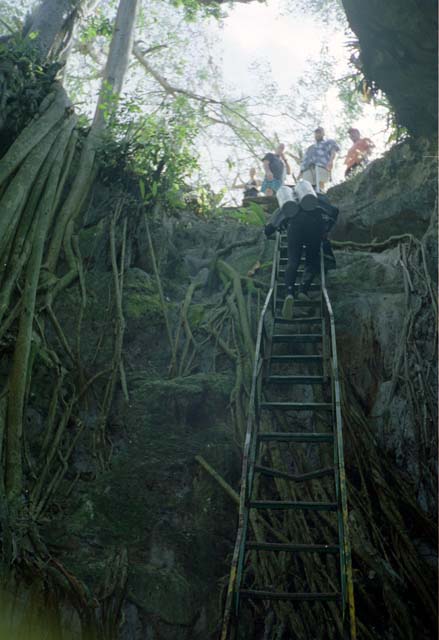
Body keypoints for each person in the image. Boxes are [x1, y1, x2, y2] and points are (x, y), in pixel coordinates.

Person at [300, 126, 340, 192]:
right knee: (308, 188)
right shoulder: (310, 147)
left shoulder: (329, 142)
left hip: (321, 166)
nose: (317, 134)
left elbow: (333, 151)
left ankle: (321, 195)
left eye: (319, 132)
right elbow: (304, 160)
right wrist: (300, 173)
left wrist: (331, 161)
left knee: (320, 184)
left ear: (323, 134)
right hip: (308, 169)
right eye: (316, 133)